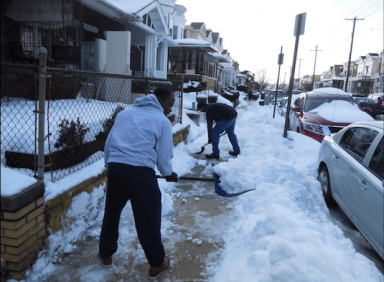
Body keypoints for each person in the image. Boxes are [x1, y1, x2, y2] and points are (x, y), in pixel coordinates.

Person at [99, 88, 178, 279]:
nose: (169, 109)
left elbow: (109, 143)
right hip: (141, 173)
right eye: (168, 104)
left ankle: (106, 253)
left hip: (116, 168)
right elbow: (163, 155)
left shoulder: (124, 114)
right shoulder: (162, 121)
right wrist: (168, 173)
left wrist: (110, 164)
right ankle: (157, 263)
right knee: (148, 218)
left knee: (112, 211)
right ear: (158, 99)